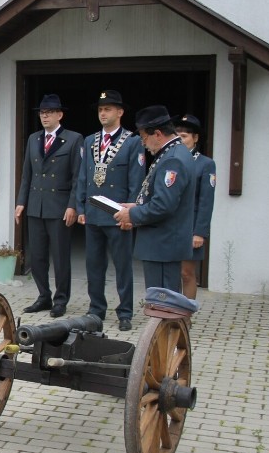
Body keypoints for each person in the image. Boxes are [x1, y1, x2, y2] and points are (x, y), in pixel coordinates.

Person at [75, 91, 145, 331]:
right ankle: (96, 309)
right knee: (94, 265)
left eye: (108, 109)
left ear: (120, 112)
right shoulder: (89, 141)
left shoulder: (133, 141)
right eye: (100, 109)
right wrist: (80, 206)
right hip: (94, 212)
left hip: (118, 215)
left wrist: (132, 215)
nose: (103, 113)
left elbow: (137, 180)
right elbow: (83, 177)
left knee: (123, 266)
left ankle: (125, 312)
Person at [15, 94, 83, 318]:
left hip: (59, 207)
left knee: (61, 256)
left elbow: (77, 177)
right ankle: (43, 296)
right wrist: (21, 202)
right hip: (36, 206)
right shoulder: (34, 139)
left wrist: (73, 205)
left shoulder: (73, 139)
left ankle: (60, 299)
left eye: (50, 112)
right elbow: (27, 175)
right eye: (42, 113)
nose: (45, 116)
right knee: (37, 256)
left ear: (59, 115)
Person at [114, 105, 195, 291]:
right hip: (164, 244)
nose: (143, 143)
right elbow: (164, 198)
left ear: (157, 134)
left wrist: (132, 214)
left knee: (162, 302)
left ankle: (169, 322)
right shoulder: (173, 153)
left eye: (144, 137)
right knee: (163, 302)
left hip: (162, 244)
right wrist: (136, 205)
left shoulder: (172, 159)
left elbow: (163, 205)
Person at [174, 114, 216, 299]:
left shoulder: (205, 164)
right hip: (171, 226)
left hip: (191, 227)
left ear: (195, 138)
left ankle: (185, 317)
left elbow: (206, 201)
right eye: (178, 135)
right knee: (170, 274)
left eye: (185, 136)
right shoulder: (170, 159)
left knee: (186, 273)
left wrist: (200, 232)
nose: (180, 139)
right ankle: (169, 316)